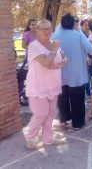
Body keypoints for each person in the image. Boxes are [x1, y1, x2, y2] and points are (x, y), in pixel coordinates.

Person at [25, 20, 68, 149]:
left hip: (53, 85)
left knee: (51, 114)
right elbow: (45, 62)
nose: (47, 31)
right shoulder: (34, 46)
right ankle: (30, 137)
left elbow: (66, 60)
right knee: (41, 114)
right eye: (43, 29)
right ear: (37, 30)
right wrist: (53, 52)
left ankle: (48, 139)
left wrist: (54, 66)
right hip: (39, 86)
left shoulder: (54, 44)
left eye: (49, 28)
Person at [52, 13, 92, 130]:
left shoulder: (54, 35)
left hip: (59, 74)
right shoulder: (78, 35)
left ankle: (64, 119)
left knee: (62, 98)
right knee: (77, 100)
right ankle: (77, 123)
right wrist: (79, 31)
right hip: (76, 74)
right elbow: (91, 51)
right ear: (73, 24)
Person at [80, 19, 91, 97]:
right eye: (85, 25)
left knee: (88, 77)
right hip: (81, 60)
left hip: (89, 59)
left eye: (88, 25)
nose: (87, 27)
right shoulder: (79, 35)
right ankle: (87, 93)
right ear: (81, 26)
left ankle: (88, 93)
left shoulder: (90, 35)